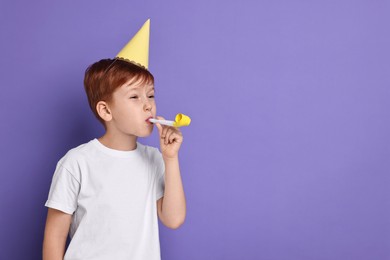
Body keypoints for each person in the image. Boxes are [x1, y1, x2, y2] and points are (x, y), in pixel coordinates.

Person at [42, 20, 186, 260]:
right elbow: (54, 236)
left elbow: (173, 219)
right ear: (106, 111)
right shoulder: (77, 162)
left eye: (150, 94)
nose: (148, 104)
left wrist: (171, 159)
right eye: (134, 96)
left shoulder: (154, 159)